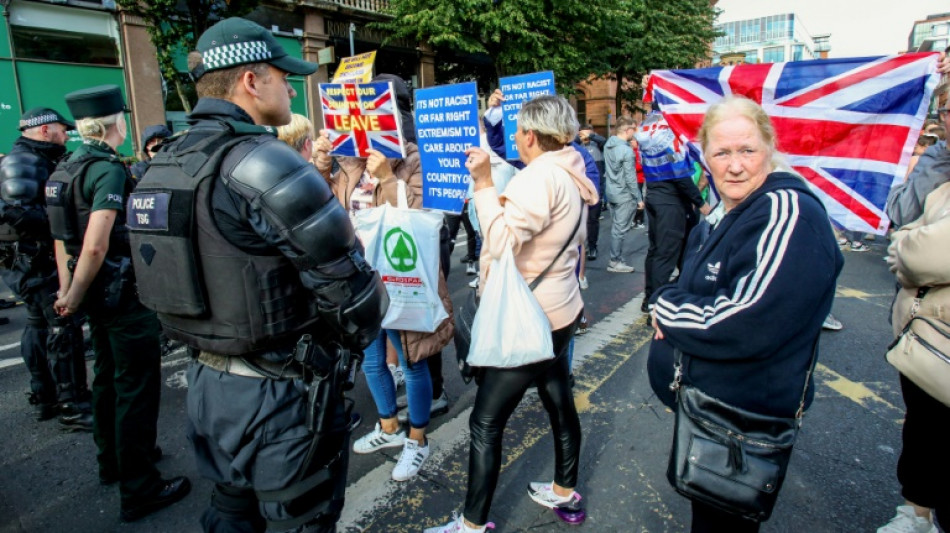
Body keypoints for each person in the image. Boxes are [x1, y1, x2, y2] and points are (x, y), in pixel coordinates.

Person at [126, 18, 389, 532]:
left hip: (206, 384)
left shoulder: (166, 161)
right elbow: (355, 295)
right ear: (251, 80)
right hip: (281, 397)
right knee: (302, 518)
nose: (290, 87)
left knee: (230, 511)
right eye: (281, 75)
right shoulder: (262, 160)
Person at [646, 96, 843, 532]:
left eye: (747, 151)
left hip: (739, 420)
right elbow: (690, 280)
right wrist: (675, 302)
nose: (734, 166)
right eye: (722, 152)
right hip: (708, 410)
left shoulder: (785, 212)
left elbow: (745, 320)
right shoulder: (726, 210)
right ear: (705, 157)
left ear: (769, 147)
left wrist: (665, 309)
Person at [425, 95, 598, 533]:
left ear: (532, 136)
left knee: (485, 423)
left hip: (528, 319)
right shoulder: (570, 169)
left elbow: (499, 240)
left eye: (519, 131)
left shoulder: (538, 179)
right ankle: (565, 493)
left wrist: (483, 183)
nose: (516, 138)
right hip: (560, 313)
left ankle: (471, 525)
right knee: (559, 403)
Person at [45, 84, 190, 521]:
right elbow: (95, 244)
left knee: (106, 379)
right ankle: (140, 487)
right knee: (136, 388)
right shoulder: (106, 170)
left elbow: (62, 241)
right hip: (121, 294)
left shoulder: (66, 167)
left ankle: (113, 462)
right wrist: (74, 290)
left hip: (91, 292)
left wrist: (68, 290)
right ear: (116, 123)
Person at [314, 72, 454, 482]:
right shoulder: (352, 159)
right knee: (373, 359)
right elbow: (320, 197)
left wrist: (390, 178)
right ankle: (389, 426)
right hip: (359, 279)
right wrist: (323, 161)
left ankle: (418, 439)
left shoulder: (413, 157)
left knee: (411, 361)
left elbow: (420, 217)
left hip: (403, 279)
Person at [0, 107, 93, 430]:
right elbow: (19, 214)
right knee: (60, 328)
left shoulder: (35, 159)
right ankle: (73, 405)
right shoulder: (23, 161)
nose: (65, 135)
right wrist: (68, 224)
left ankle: (47, 396)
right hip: (34, 263)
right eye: (61, 129)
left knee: (41, 325)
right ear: (43, 130)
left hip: (30, 263)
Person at [878, 181, 950, 533]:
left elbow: (925, 254)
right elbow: (903, 226)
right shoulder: (943, 185)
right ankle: (917, 513)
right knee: (923, 432)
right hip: (925, 342)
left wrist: (909, 250)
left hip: (939, 340)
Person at [637, 104, 712, 313]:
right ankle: (657, 304)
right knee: (666, 253)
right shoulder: (667, 131)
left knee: (656, 251)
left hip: (654, 193)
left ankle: (650, 297)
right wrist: (700, 202)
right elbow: (679, 173)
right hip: (671, 200)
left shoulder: (647, 128)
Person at [602, 117, 642, 273]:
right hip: (624, 194)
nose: (635, 132)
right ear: (627, 130)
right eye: (634, 128)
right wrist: (638, 198)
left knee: (616, 228)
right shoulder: (626, 151)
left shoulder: (608, 145)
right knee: (619, 230)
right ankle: (615, 261)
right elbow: (630, 178)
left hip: (611, 192)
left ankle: (617, 258)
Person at [578, 124, 606, 259]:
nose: (585, 137)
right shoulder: (576, 148)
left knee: (592, 220)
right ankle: (580, 248)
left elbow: (604, 142)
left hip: (595, 188)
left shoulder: (597, 146)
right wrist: (579, 138)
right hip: (579, 189)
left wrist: (591, 136)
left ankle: (593, 246)